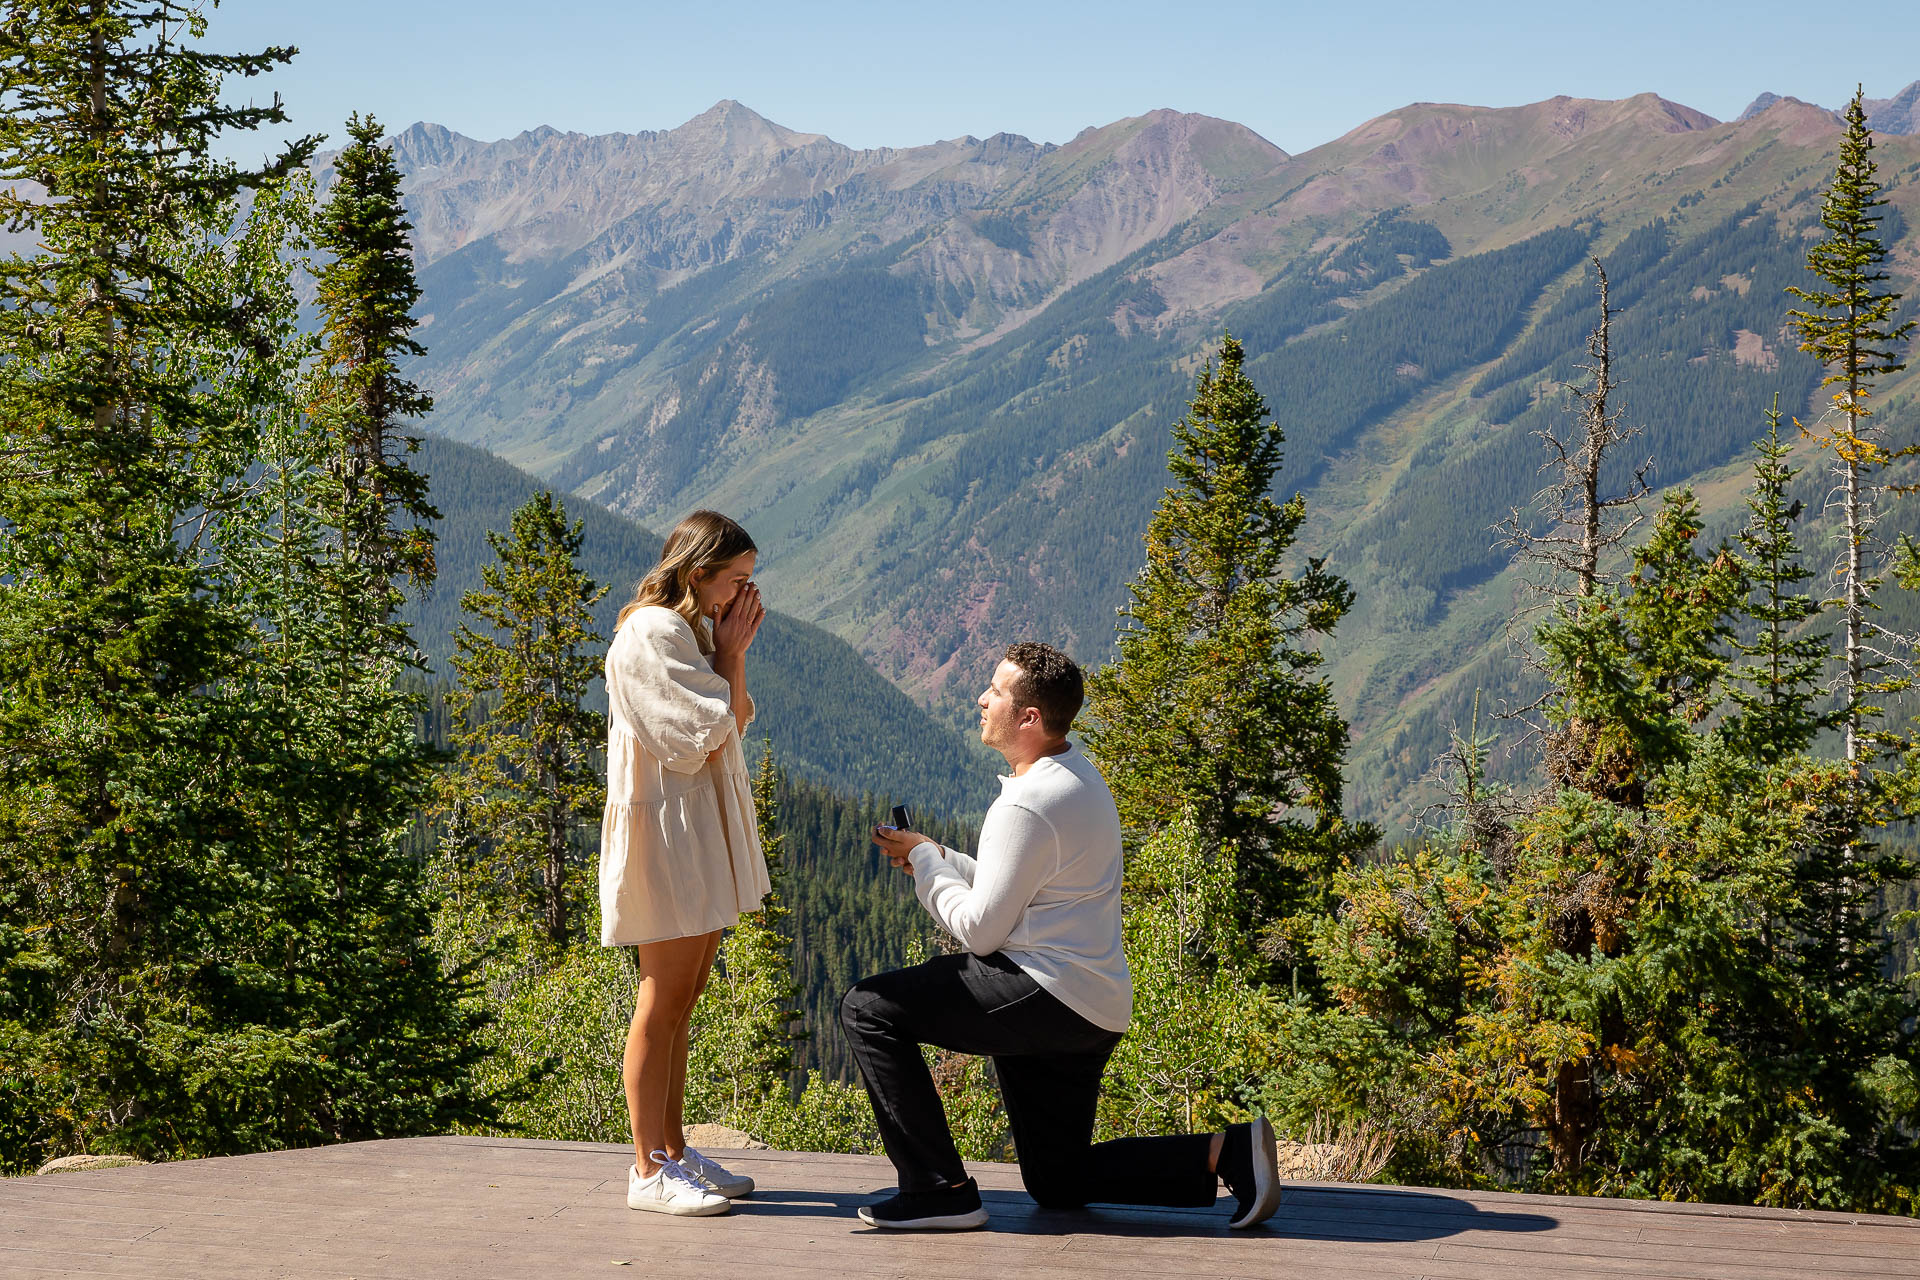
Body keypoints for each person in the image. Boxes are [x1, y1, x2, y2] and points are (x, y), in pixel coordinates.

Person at [843, 641, 1282, 1231]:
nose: (981, 698)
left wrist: (925, 867)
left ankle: (939, 1189)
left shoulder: (1026, 802)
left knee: (869, 1009)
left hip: (1043, 992)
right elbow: (1024, 890)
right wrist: (939, 856)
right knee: (1058, 1178)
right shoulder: (1074, 774)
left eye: (995, 691)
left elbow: (978, 930)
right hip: (1089, 1004)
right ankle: (1225, 1154)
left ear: (1029, 717)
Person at [600, 510, 770, 1216]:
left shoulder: (685, 631)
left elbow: (729, 721)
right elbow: (697, 737)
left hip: (691, 830)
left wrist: (726, 658)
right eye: (736, 581)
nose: (743, 597)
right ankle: (646, 1171)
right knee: (660, 1001)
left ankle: (670, 1150)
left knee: (684, 998)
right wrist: (729, 659)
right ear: (697, 573)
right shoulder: (651, 632)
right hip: (666, 834)